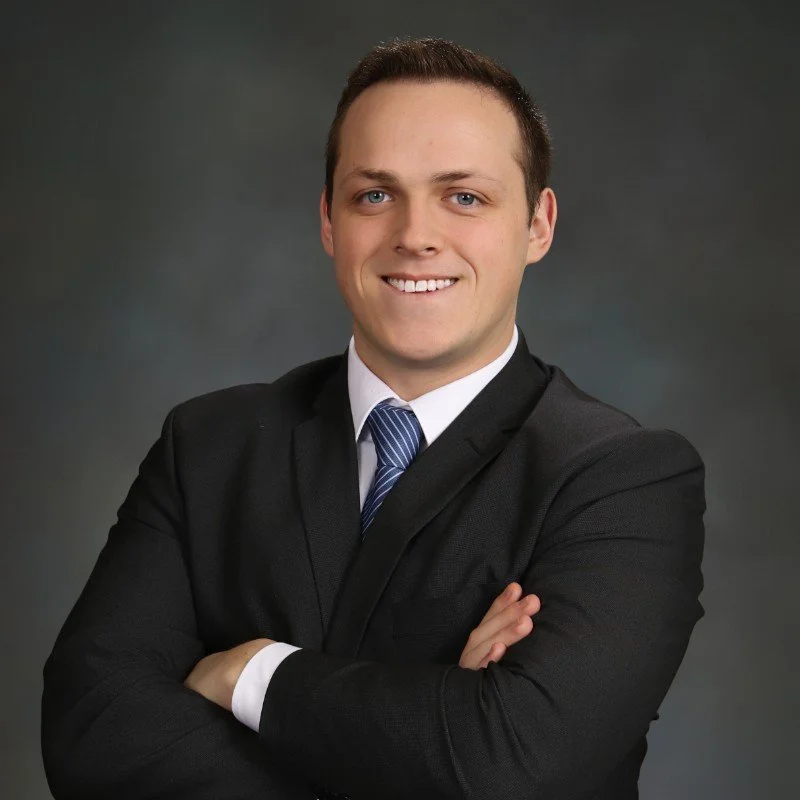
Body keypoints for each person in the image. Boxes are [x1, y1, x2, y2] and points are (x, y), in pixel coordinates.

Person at [41, 37, 706, 800]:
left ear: (538, 225)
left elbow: (513, 761)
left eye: (464, 196)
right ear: (329, 221)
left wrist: (251, 672)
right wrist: (435, 724)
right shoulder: (209, 447)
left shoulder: (622, 479)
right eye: (374, 195)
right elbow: (89, 730)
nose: (415, 235)